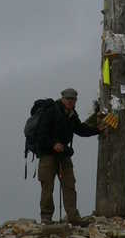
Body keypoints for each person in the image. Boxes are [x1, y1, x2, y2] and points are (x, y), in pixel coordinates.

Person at [37, 87, 103, 225]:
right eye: (68, 99)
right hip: (47, 155)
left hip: (63, 155)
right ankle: (46, 217)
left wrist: (98, 130)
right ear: (62, 98)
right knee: (47, 186)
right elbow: (41, 133)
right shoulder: (51, 111)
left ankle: (73, 217)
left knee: (69, 185)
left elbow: (80, 129)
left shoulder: (72, 114)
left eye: (73, 99)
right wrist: (53, 144)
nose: (71, 102)